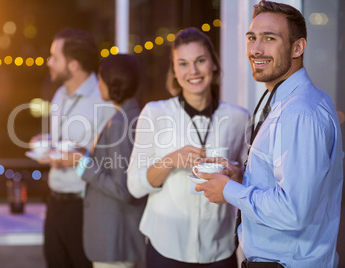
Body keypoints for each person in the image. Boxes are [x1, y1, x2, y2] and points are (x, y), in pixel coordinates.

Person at [195, 1, 344, 267]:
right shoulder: (289, 101)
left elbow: (293, 210)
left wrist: (229, 191)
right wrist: (244, 177)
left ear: (297, 48)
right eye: (252, 38)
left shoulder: (299, 113)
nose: (255, 49)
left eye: (269, 38)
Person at [127, 27, 250, 267]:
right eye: (183, 63)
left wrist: (237, 175)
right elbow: (134, 186)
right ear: (174, 70)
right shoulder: (155, 113)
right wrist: (170, 161)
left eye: (200, 61)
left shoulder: (239, 118)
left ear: (213, 64)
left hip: (219, 249)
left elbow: (250, 181)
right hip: (165, 248)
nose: (192, 71)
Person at [29, 28, 114, 268]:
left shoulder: (103, 99)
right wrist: (45, 143)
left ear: (74, 64)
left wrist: (79, 158)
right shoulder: (59, 94)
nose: (49, 62)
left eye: (54, 57)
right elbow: (61, 141)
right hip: (55, 203)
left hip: (85, 207)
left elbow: (114, 159)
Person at [54, 54, 147, 268]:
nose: (98, 85)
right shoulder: (130, 115)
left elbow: (122, 188)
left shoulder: (119, 123)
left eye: (101, 79)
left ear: (112, 83)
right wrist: (87, 154)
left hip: (115, 240)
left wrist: (82, 165)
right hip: (118, 236)